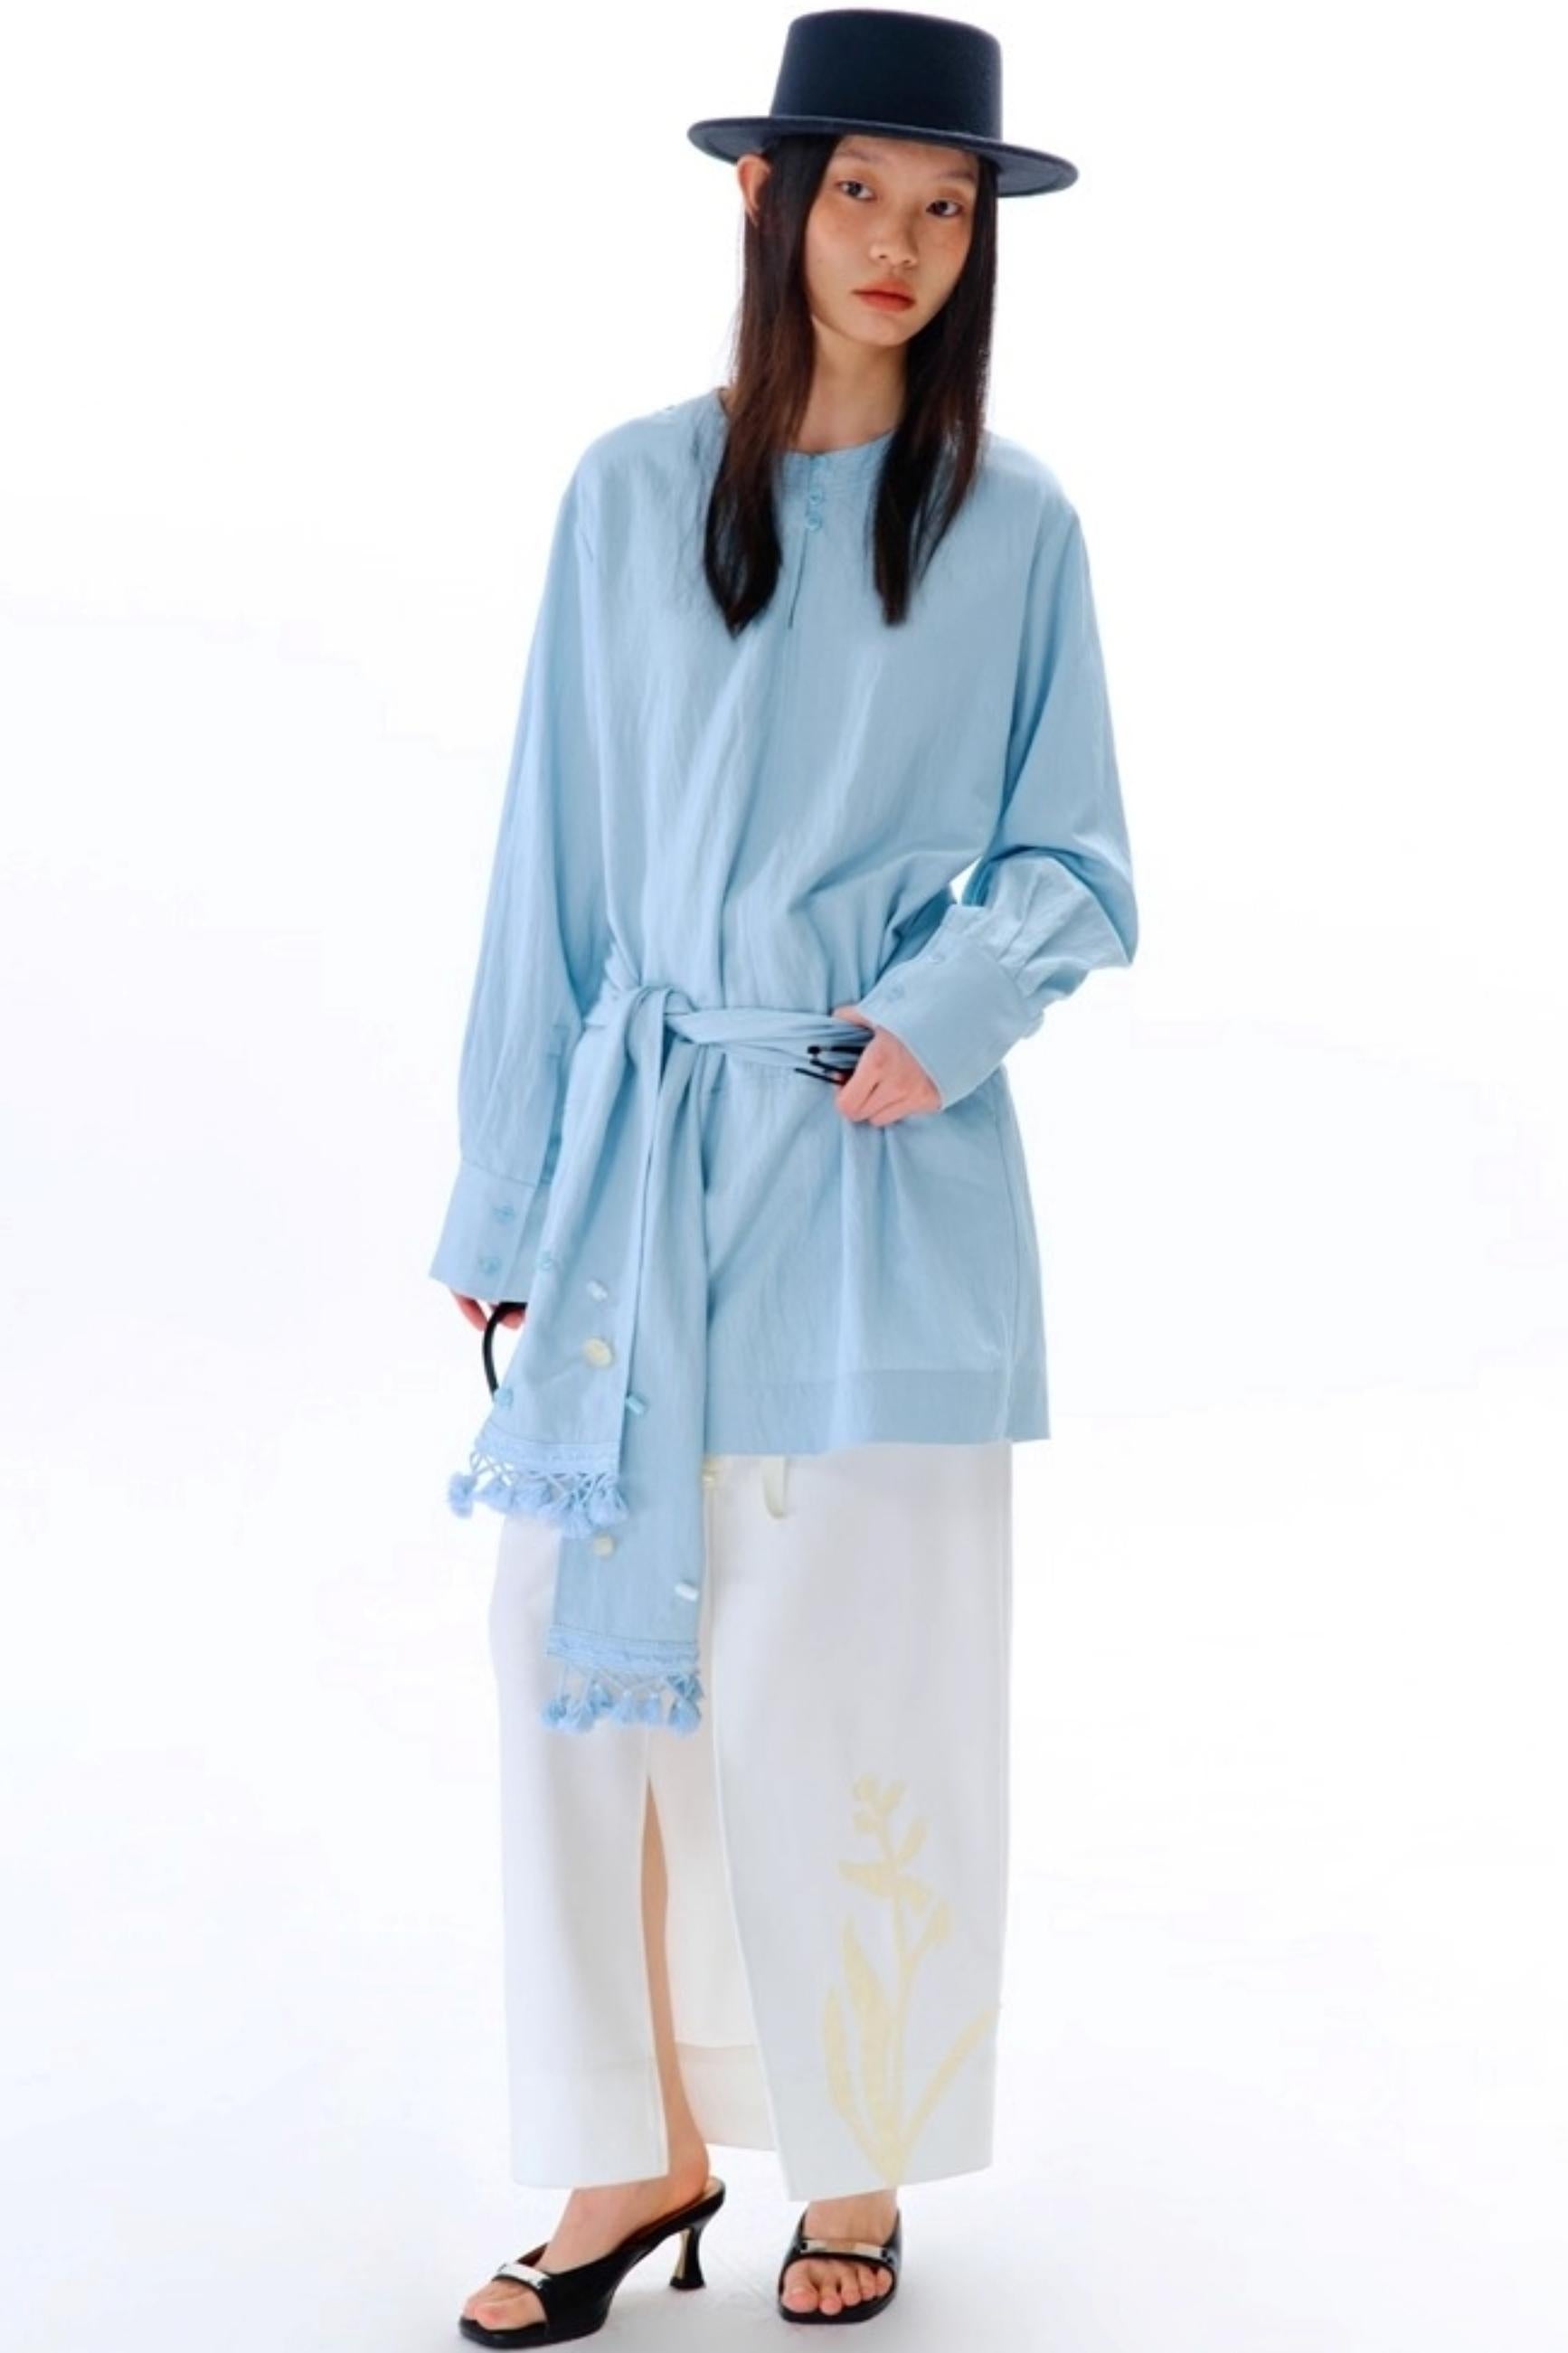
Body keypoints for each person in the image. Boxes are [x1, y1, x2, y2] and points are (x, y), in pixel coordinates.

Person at [431, 11, 1138, 2339]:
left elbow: (1079, 863)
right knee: (575, 1664)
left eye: (947, 209)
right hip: (640, 1179)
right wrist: (505, 1200)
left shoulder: (1015, 528)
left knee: (852, 1678)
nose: (902, 246)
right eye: (861, 193)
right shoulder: (626, 494)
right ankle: (626, 2148)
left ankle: (854, 2158)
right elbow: (549, 863)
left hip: (880, 1173)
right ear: (767, 197)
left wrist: (947, 1011)